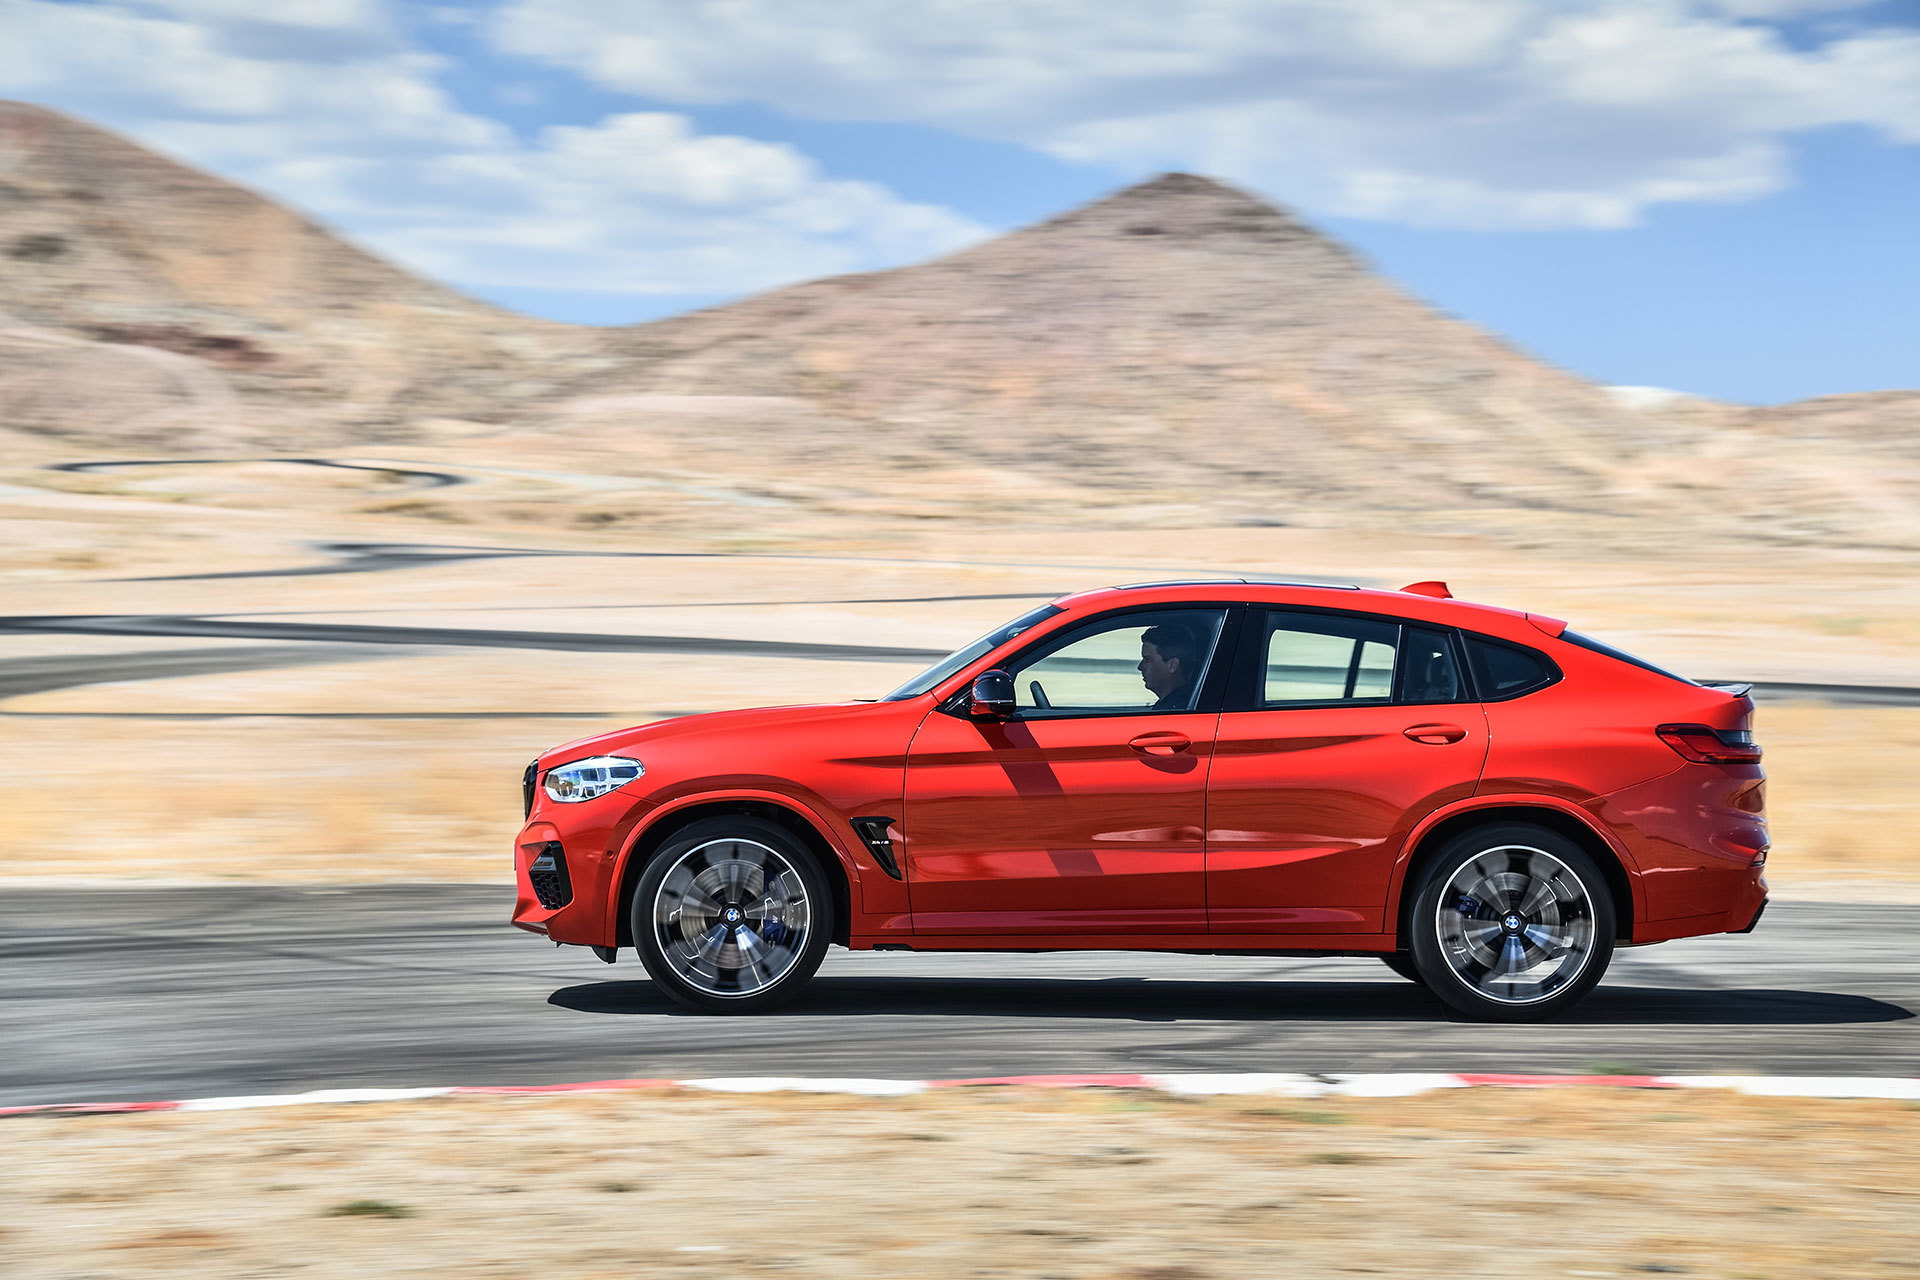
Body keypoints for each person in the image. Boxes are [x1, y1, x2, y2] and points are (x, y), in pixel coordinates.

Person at [1139, 622, 1201, 710]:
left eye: (1148, 660)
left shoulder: (1178, 710)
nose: (1140, 667)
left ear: (1172, 665)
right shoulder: (1178, 705)